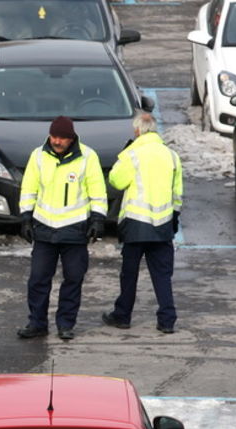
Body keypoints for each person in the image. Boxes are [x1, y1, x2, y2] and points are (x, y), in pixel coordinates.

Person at [17, 116, 107, 340]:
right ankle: (37, 323)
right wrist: (25, 218)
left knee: (73, 278)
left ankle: (65, 324)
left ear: (71, 138)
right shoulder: (38, 156)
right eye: (54, 137)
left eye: (62, 138)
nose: (57, 142)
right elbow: (29, 188)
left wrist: (97, 219)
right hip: (44, 228)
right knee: (38, 279)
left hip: (75, 229)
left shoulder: (87, 157)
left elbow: (97, 190)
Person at [102, 112, 182, 334]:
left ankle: (123, 315)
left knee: (130, 273)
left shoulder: (133, 154)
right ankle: (167, 319)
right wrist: (174, 218)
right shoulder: (171, 155)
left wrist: (126, 152)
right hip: (163, 225)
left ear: (137, 131)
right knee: (162, 275)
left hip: (136, 225)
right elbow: (178, 193)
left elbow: (116, 180)